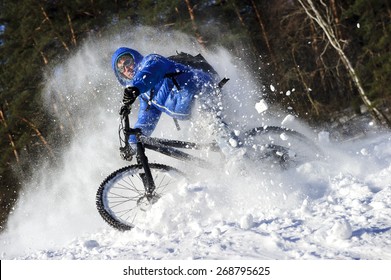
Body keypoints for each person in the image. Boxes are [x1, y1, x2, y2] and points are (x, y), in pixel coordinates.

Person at [111, 47, 231, 161]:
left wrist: (136, 88)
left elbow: (151, 72)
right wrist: (132, 144)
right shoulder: (145, 94)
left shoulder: (152, 60)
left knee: (209, 121)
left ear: (135, 58)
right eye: (121, 69)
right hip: (189, 108)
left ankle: (238, 158)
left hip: (201, 88)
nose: (126, 69)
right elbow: (146, 120)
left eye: (127, 62)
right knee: (199, 138)